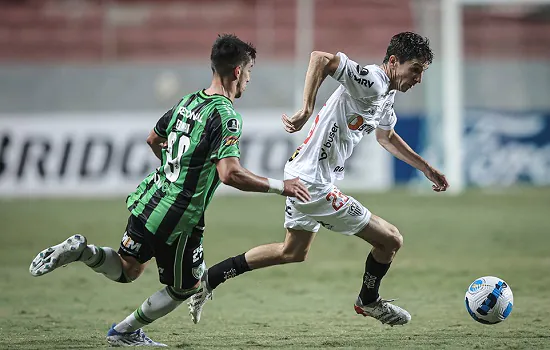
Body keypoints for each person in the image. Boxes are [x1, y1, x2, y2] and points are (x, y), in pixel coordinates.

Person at [29, 34, 310, 347]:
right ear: (236, 72)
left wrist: (175, 172)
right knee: (186, 287)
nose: (249, 78)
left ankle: (84, 251)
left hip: (151, 198)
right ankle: (124, 331)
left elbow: (153, 138)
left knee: (128, 269)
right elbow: (230, 174)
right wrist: (281, 187)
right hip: (179, 217)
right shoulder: (226, 116)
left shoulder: (188, 101)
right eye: (250, 71)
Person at [188, 32, 449, 327]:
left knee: (292, 251)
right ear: (393, 61)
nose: (418, 78)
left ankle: (207, 280)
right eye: (415, 69)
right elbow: (320, 59)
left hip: (303, 175)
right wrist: (307, 108)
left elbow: (386, 137)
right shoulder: (373, 81)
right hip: (313, 184)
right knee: (390, 240)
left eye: (422, 72)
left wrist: (426, 168)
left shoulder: (385, 95)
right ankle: (368, 300)